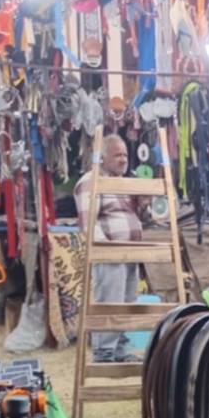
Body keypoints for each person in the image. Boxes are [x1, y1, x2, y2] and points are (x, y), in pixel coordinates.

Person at [74, 134, 145, 362]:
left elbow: (131, 216)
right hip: (110, 254)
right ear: (103, 158)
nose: (123, 159)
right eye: (117, 155)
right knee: (110, 302)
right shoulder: (91, 181)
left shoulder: (122, 183)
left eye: (125, 155)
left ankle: (120, 350)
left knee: (126, 303)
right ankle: (104, 353)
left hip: (130, 253)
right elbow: (89, 224)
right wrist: (107, 250)